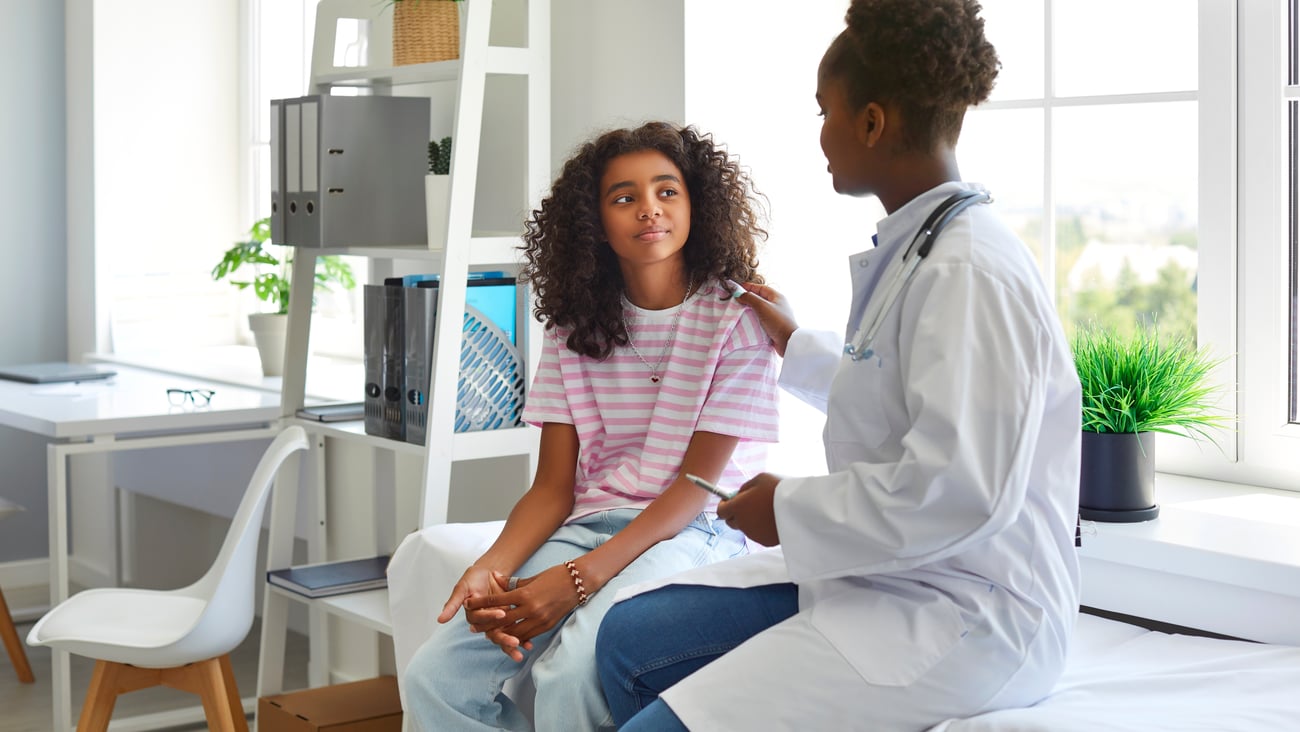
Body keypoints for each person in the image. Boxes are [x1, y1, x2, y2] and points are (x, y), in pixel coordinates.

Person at [595, 1, 1083, 730]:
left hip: (968, 613)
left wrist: (784, 508)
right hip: (895, 571)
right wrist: (798, 343)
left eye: (825, 111)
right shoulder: (921, 247)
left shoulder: (969, 271)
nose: (820, 132)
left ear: (872, 123)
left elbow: (956, 493)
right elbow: (899, 392)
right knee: (627, 642)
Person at [402, 121, 781, 732]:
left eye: (667, 191)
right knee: (434, 677)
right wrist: (489, 569)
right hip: (592, 523)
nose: (649, 210)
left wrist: (576, 580)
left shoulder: (738, 319)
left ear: (696, 203)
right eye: (624, 197)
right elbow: (553, 487)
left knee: (572, 671)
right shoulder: (575, 326)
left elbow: (696, 488)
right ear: (595, 222)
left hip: (696, 530)